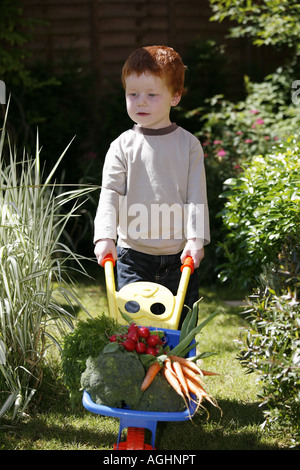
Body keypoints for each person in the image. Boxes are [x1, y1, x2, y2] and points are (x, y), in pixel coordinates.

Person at [93, 45, 210, 315]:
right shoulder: (121, 146)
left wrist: (196, 239)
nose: (141, 101)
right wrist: (104, 237)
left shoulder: (188, 145)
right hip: (132, 256)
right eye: (132, 94)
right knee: (135, 329)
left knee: (180, 327)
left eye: (151, 94)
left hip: (180, 257)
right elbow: (110, 193)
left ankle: (179, 360)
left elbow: (196, 196)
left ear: (175, 96)